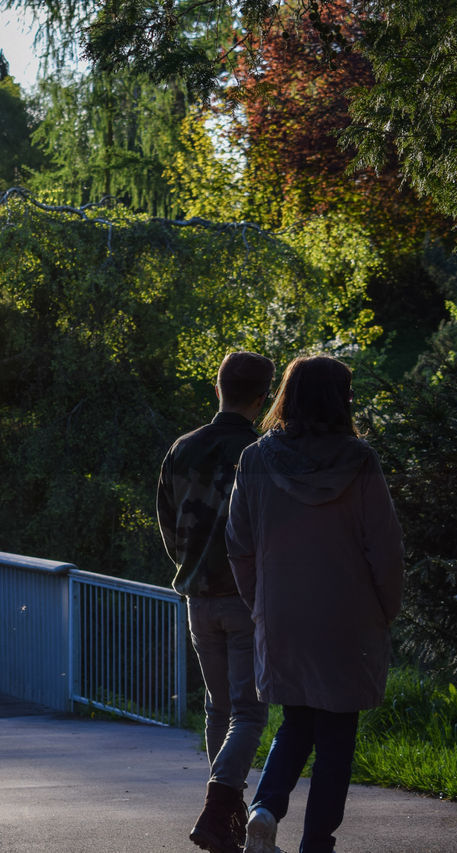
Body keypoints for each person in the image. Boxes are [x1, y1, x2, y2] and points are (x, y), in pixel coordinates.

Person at [225, 354, 405, 853]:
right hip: (348, 618)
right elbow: (385, 547)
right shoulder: (361, 460)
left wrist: (260, 604)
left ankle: (263, 809)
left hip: (282, 614)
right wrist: (385, 609)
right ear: (339, 399)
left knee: (296, 720)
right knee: (337, 735)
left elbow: (237, 544)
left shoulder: (256, 459)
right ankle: (316, 843)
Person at [157, 350, 275, 853]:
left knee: (218, 707)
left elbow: (167, 522)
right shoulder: (259, 454)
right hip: (245, 600)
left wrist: (190, 564)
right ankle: (218, 807)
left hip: (197, 596)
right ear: (263, 397)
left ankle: (224, 817)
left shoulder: (182, 448)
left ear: (217, 387)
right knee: (248, 713)